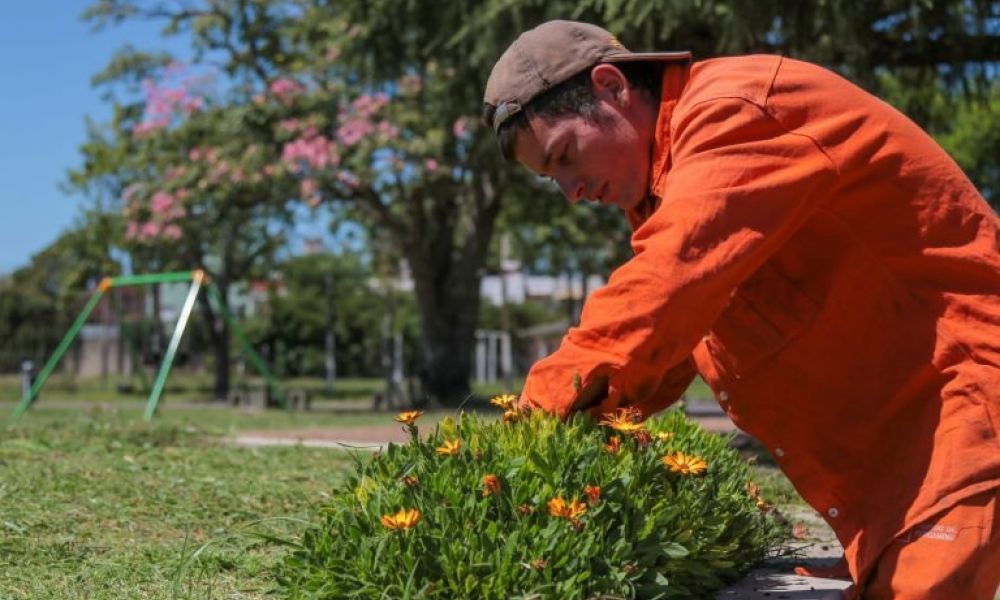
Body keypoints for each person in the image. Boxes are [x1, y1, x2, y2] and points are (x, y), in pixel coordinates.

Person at [482, 19, 1000, 600]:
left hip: (966, 415)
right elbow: (669, 340)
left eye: (566, 155)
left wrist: (525, 430)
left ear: (612, 87)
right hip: (904, 478)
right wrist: (567, 448)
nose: (571, 191)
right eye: (552, 178)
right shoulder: (668, 182)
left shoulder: (735, 111)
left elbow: (665, 288)